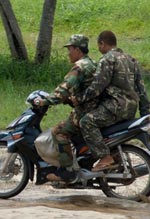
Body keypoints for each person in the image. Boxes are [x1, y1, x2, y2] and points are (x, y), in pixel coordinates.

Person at [71, 30, 150, 172]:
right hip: (130, 110)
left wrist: (79, 99)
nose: (98, 49)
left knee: (87, 122)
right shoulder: (130, 59)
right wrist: (145, 111)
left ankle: (105, 157)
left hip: (115, 107)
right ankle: (114, 156)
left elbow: (97, 87)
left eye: (98, 45)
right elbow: (141, 89)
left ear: (102, 44)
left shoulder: (107, 59)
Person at [34, 34, 97, 181]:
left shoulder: (79, 67)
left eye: (70, 49)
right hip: (95, 109)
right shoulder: (92, 63)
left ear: (77, 49)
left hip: (85, 112)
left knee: (59, 132)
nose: (68, 53)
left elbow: (64, 89)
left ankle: (67, 171)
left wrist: (45, 101)